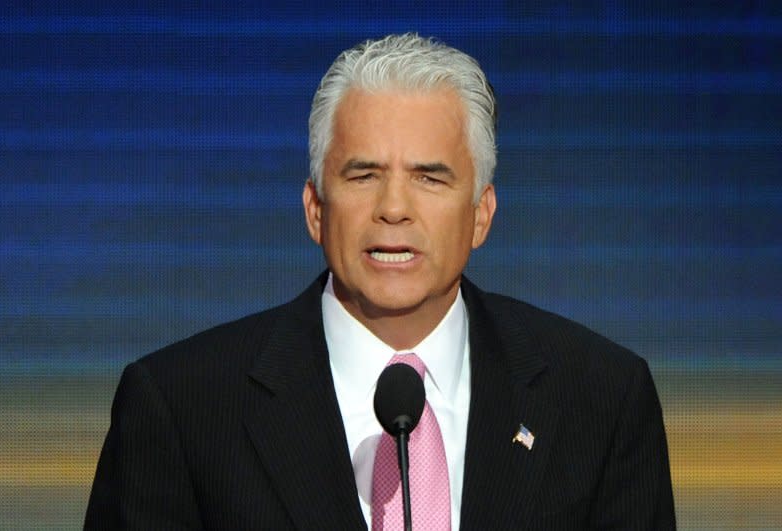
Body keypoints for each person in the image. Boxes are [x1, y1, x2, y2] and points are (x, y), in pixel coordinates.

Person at [85, 33, 675, 530]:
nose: (394, 208)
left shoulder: (600, 398)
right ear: (316, 208)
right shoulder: (181, 408)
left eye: (430, 178)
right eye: (363, 174)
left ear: (481, 214)